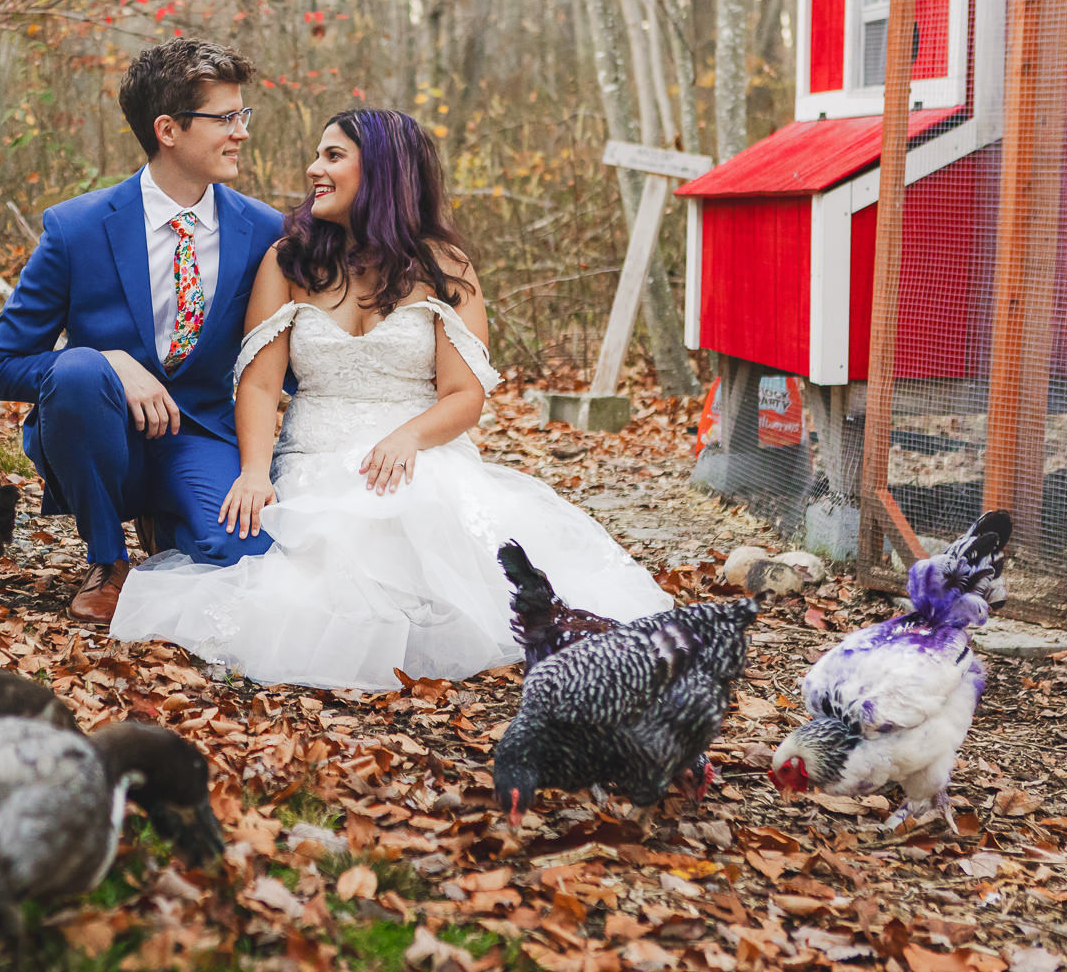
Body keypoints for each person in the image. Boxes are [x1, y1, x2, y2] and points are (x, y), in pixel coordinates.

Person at [109, 108, 673, 691]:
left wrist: (408, 437)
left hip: (416, 455)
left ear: (381, 170)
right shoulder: (289, 261)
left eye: (333, 156)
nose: (313, 169)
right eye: (318, 155)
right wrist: (254, 471)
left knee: (429, 525)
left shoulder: (445, 267)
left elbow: (464, 397)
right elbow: (258, 382)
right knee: (301, 574)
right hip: (311, 459)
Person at [0, 40, 288, 624]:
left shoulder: (265, 229)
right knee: (78, 369)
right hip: (99, 432)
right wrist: (111, 361)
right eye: (225, 118)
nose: (241, 131)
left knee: (241, 565)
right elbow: (0, 367)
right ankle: (108, 557)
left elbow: (283, 360)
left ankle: (168, 516)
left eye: (241, 115)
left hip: (201, 433)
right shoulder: (76, 227)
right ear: (168, 130)